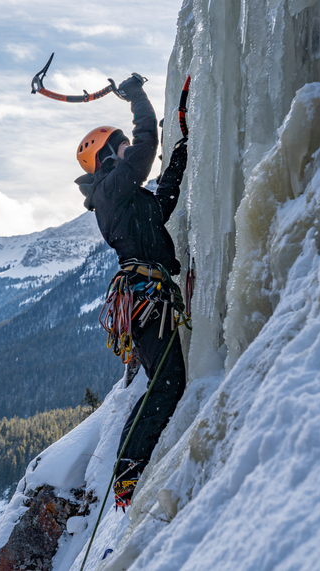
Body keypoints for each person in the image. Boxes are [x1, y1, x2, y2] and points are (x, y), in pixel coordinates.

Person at [74, 73, 189, 510]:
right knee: (168, 381)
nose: (127, 151)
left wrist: (179, 158)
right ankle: (128, 468)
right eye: (118, 146)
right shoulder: (111, 189)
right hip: (144, 296)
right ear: (107, 158)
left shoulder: (125, 198)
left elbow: (162, 205)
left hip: (144, 296)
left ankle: (131, 465)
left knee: (167, 380)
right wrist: (137, 96)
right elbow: (144, 148)